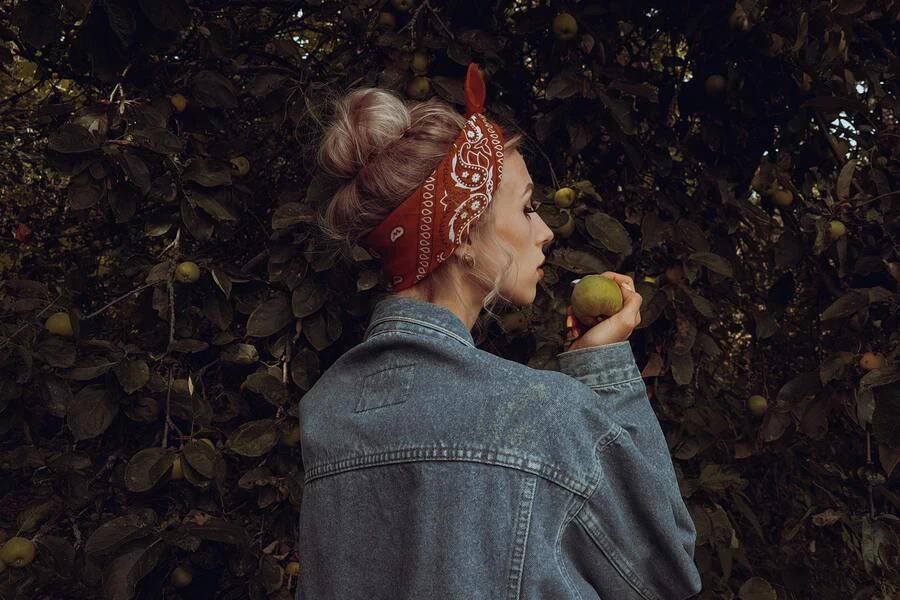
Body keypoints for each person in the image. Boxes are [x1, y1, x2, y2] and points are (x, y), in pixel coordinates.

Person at [296, 63, 701, 600]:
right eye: (528, 207)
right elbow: (666, 574)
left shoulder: (327, 411)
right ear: (462, 233)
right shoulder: (545, 417)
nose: (547, 231)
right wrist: (603, 370)